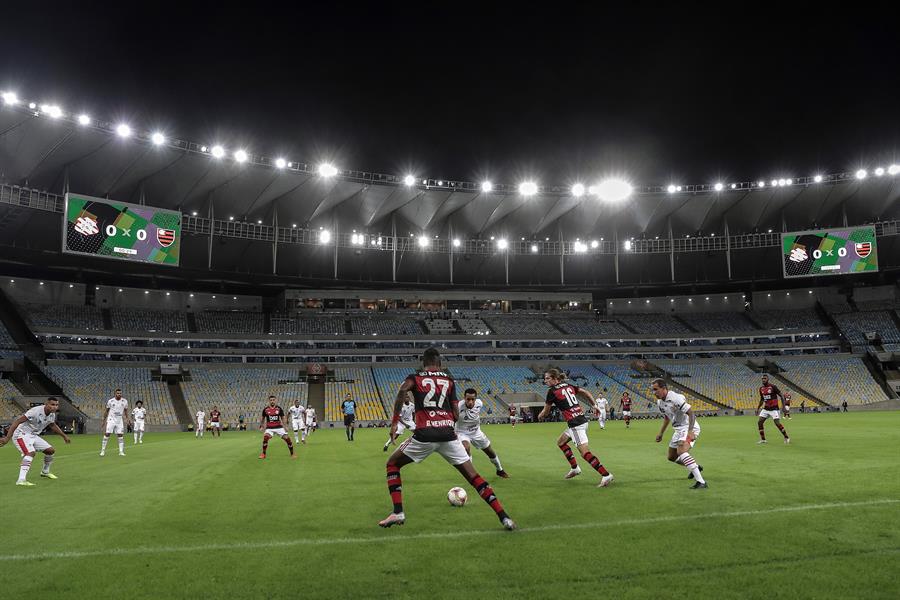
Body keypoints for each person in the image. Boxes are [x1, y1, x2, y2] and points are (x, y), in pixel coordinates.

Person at [379, 348, 515, 530]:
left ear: (423, 362)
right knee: (474, 477)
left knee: (392, 464)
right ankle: (504, 517)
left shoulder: (415, 377)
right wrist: (444, 421)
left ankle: (398, 511)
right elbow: (456, 414)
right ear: (440, 363)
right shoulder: (449, 380)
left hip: (424, 435)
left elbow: (402, 390)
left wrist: (395, 422)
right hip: (448, 435)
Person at [538, 368, 614, 487]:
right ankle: (575, 468)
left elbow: (546, 412)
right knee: (561, 442)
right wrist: (594, 405)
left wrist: (540, 415)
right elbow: (585, 392)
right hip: (581, 419)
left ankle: (605, 475)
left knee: (585, 453)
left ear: (555, 379)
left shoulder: (552, 391)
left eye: (547, 378)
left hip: (575, 424)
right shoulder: (567, 385)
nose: (545, 380)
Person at [0, 397, 70, 486]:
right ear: (46, 404)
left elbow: (52, 425)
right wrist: (7, 438)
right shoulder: (35, 411)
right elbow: (17, 422)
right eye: (52, 404)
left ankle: (45, 471)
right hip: (21, 434)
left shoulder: (52, 414)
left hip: (33, 435)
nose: (55, 407)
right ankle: (21, 480)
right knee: (30, 453)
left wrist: (64, 436)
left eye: (56, 405)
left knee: (50, 451)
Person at [651, 379, 707, 489]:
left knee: (681, 451)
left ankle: (701, 482)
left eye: (656, 389)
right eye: (653, 390)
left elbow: (691, 414)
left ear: (664, 388)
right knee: (671, 457)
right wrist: (661, 433)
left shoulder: (675, 398)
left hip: (689, 427)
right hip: (678, 429)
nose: (654, 392)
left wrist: (690, 432)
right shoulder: (660, 402)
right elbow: (667, 417)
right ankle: (695, 467)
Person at [456, 388, 508, 478]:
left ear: (476, 399)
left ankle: (500, 470)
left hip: (476, 432)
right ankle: (471, 474)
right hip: (462, 432)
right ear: (464, 398)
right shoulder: (458, 406)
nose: (470, 402)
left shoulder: (479, 403)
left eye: (473, 399)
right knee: (466, 448)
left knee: (490, 451)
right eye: (468, 399)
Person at [258, 395, 296, 460]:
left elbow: (283, 418)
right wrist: (261, 426)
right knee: (265, 438)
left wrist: (285, 426)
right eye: (271, 400)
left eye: (273, 400)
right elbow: (262, 418)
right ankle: (263, 454)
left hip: (279, 427)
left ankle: (292, 453)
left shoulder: (279, 408)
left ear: (275, 400)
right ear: (269, 401)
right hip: (269, 428)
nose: (272, 401)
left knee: (287, 439)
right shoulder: (265, 409)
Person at [756, 374, 790, 444]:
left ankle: (786, 437)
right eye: (762, 379)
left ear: (768, 379)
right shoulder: (761, 389)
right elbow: (762, 400)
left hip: (774, 409)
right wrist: (757, 408)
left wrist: (783, 407)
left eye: (765, 378)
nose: (763, 380)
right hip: (766, 409)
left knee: (777, 423)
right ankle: (763, 440)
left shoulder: (773, 387)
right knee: (760, 422)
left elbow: (782, 396)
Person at [100, 388, 130, 457]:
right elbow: (106, 411)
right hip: (111, 420)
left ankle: (121, 451)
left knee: (120, 435)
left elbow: (126, 411)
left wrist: (127, 419)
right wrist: (103, 420)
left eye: (120, 393)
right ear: (115, 394)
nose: (119, 394)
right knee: (107, 434)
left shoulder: (124, 401)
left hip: (119, 421)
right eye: (118, 393)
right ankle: (103, 451)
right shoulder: (110, 401)